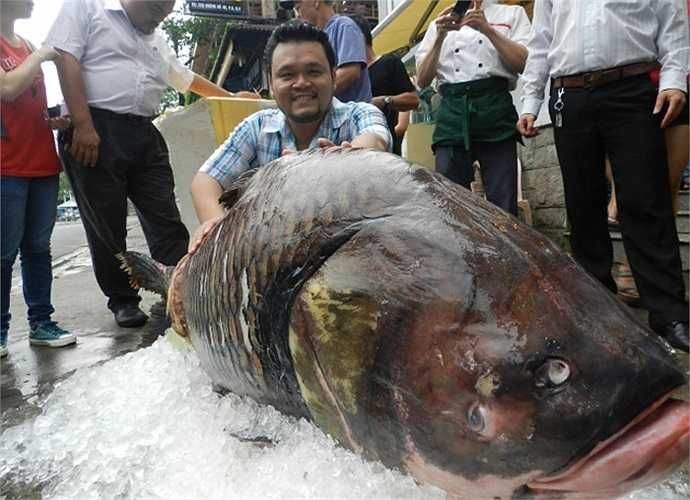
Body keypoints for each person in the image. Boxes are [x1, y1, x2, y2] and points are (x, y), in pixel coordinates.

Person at [44, 0, 254, 329]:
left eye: (167, 9)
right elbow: (65, 58)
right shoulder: (87, 9)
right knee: (107, 223)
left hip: (144, 131)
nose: (162, 15)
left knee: (165, 215)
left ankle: (183, 288)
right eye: (156, 7)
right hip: (95, 127)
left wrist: (227, 95)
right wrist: (83, 124)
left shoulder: (157, 38)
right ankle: (123, 299)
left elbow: (185, 79)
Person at [517, 0, 690, 351]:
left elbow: (673, 25)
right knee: (583, 207)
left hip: (633, 90)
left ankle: (669, 314)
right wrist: (529, 102)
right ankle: (594, 310)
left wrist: (674, 80)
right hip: (570, 95)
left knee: (646, 202)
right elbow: (541, 43)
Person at [189, 20, 391, 252]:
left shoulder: (359, 114)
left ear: (334, 77)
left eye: (313, 71)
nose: (302, 83)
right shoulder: (257, 127)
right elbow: (205, 181)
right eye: (287, 75)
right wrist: (218, 230)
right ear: (272, 85)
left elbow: (374, 138)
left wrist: (350, 156)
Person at [0, 0, 77, 357]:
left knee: (37, 250)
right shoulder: (35, 52)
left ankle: (42, 323)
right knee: (3, 252)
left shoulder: (27, 45)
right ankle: (0, 331)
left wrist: (55, 119)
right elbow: (8, 88)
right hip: (6, 167)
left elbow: (30, 102)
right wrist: (44, 54)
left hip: (43, 163)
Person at [415, 0, 530, 216]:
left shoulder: (512, 14)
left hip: (495, 110)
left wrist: (487, 29)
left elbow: (523, 63)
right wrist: (439, 37)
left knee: (503, 203)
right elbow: (422, 80)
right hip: (452, 114)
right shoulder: (437, 25)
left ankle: (503, 249)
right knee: (449, 203)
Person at [348, 14, 419, 155]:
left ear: (359, 37)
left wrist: (384, 101)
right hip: (350, 149)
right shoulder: (345, 75)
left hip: (386, 150)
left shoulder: (389, 63)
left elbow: (413, 100)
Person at [281, 0, 372, 103]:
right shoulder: (315, 38)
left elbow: (350, 72)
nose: (296, 15)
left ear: (316, 2)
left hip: (351, 114)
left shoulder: (344, 26)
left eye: (298, 8)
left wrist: (313, 94)